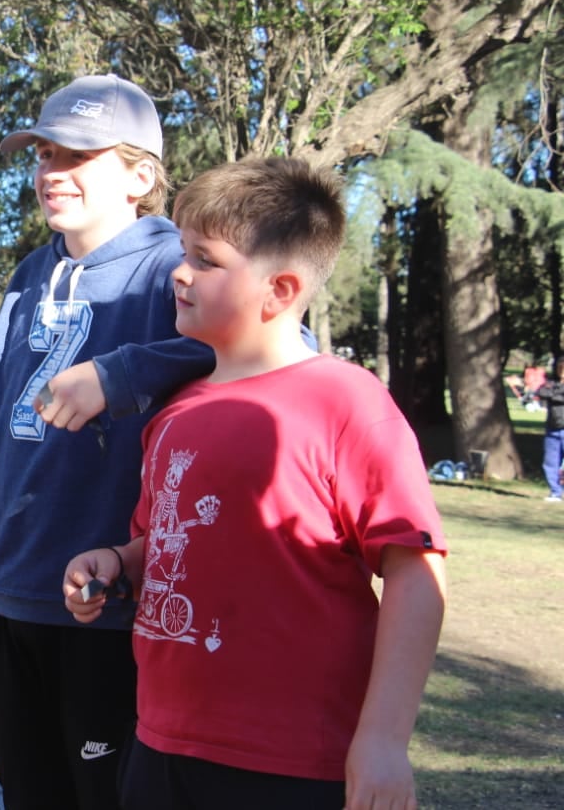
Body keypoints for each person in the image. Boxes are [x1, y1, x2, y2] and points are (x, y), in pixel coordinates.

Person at [61, 158, 448, 810]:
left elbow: (417, 572)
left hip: (292, 764)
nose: (180, 272)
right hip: (159, 747)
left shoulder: (345, 400)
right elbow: (166, 545)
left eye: (206, 259)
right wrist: (117, 564)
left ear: (281, 290)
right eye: (183, 252)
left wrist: (383, 738)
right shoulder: (174, 411)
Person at [0, 74, 214, 809]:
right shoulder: (29, 275)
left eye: (78, 156)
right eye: (43, 154)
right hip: (5, 606)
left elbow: (269, 349)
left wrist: (122, 373)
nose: (52, 172)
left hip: (110, 612)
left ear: (140, 175)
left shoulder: (173, 266)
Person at [535, 359, 564, 501]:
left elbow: (554, 395)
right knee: (550, 462)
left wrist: (554, 395)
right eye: (561, 369)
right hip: (552, 428)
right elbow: (541, 391)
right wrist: (556, 394)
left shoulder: (554, 387)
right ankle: (555, 492)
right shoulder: (553, 384)